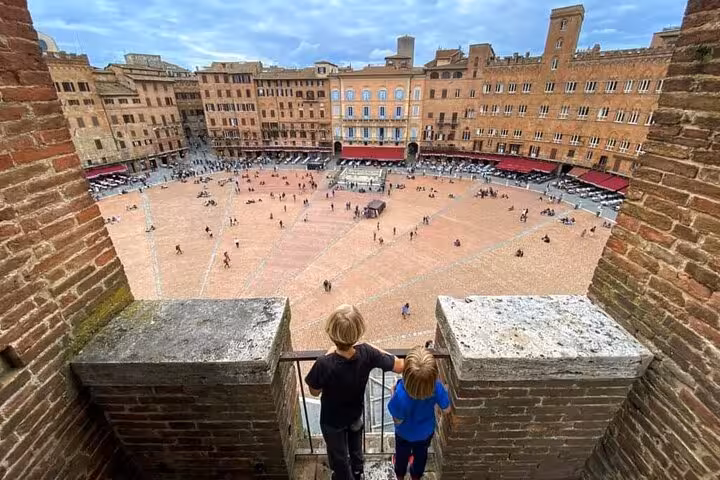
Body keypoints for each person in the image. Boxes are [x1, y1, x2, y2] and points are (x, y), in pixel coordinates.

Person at [305, 305, 403, 480]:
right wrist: (369, 346)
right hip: (355, 413)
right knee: (356, 447)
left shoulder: (324, 363)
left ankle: (344, 476)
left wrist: (329, 354)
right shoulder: (367, 353)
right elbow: (399, 365)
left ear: (331, 332)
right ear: (358, 332)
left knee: (339, 456)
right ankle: (358, 472)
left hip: (332, 420)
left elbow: (314, 391)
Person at [388, 346, 451, 480]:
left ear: (406, 374)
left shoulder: (400, 394)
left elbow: (397, 419)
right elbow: (447, 409)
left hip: (404, 434)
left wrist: (392, 393)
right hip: (425, 432)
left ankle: (400, 475)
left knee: (401, 455)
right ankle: (416, 475)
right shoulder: (436, 387)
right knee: (421, 455)